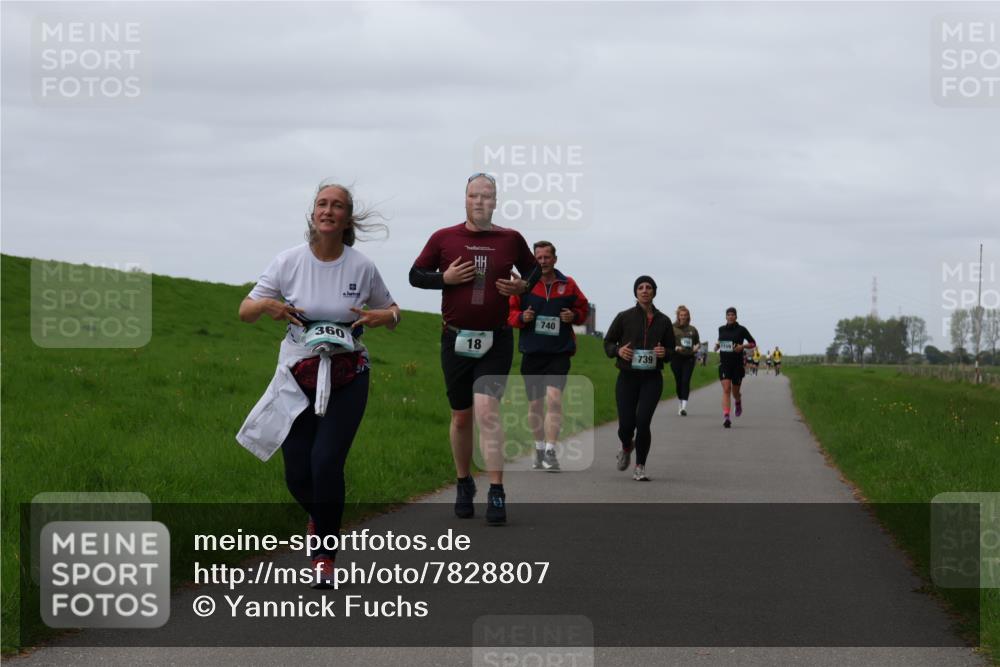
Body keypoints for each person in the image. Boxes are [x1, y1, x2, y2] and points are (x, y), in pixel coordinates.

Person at [237, 181, 400, 587]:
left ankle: (325, 554)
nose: (329, 211)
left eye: (338, 206)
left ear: (347, 219)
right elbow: (245, 311)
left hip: (348, 373)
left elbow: (392, 310)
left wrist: (386, 318)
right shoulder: (287, 262)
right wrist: (267, 305)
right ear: (313, 214)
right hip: (297, 374)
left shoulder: (361, 266)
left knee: (326, 461)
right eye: (322, 204)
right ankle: (321, 518)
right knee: (297, 472)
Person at [409, 173, 540, 524]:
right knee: (462, 416)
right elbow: (414, 275)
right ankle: (463, 482)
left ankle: (496, 490)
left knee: (487, 411)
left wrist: (520, 287)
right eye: (473, 196)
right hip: (454, 338)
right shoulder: (443, 238)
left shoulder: (510, 239)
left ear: (496, 201)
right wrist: (444, 279)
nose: (480, 201)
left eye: (487, 196)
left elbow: (533, 273)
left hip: (496, 339)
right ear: (464, 199)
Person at [508, 241, 589, 471]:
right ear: (534, 260)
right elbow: (510, 314)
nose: (543, 261)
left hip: (559, 352)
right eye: (539, 258)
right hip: (532, 352)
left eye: (546, 257)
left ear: (555, 259)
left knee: (554, 401)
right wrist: (522, 318)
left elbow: (583, 312)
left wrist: (573, 316)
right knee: (535, 406)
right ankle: (540, 448)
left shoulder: (568, 284)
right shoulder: (524, 285)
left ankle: (551, 453)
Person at [603, 276, 675, 481]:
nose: (644, 290)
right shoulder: (624, 317)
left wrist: (665, 353)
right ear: (635, 292)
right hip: (627, 377)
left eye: (649, 287)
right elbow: (608, 342)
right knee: (626, 425)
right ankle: (627, 446)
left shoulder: (664, 321)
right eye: (640, 287)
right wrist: (618, 351)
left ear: (654, 292)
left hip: (652, 379)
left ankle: (640, 466)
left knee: (642, 422)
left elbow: (671, 351)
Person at [714, 307, 756, 428]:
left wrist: (742, 346)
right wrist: (717, 346)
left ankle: (738, 401)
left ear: (736, 317)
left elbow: (753, 343)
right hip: (724, 364)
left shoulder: (741, 330)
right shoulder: (721, 329)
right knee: (726, 389)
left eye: (733, 315)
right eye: (728, 315)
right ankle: (726, 417)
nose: (730, 316)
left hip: (737, 365)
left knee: (735, 392)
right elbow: (720, 340)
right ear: (726, 317)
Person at [670, 305, 700, 416]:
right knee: (679, 382)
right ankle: (680, 401)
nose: (683, 317)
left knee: (685, 381)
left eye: (685, 315)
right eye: (681, 315)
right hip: (676, 357)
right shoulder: (672, 328)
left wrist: (696, 347)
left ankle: (683, 407)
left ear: (688, 316)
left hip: (689, 358)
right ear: (678, 316)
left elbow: (697, 342)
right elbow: (667, 343)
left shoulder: (693, 329)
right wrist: (675, 348)